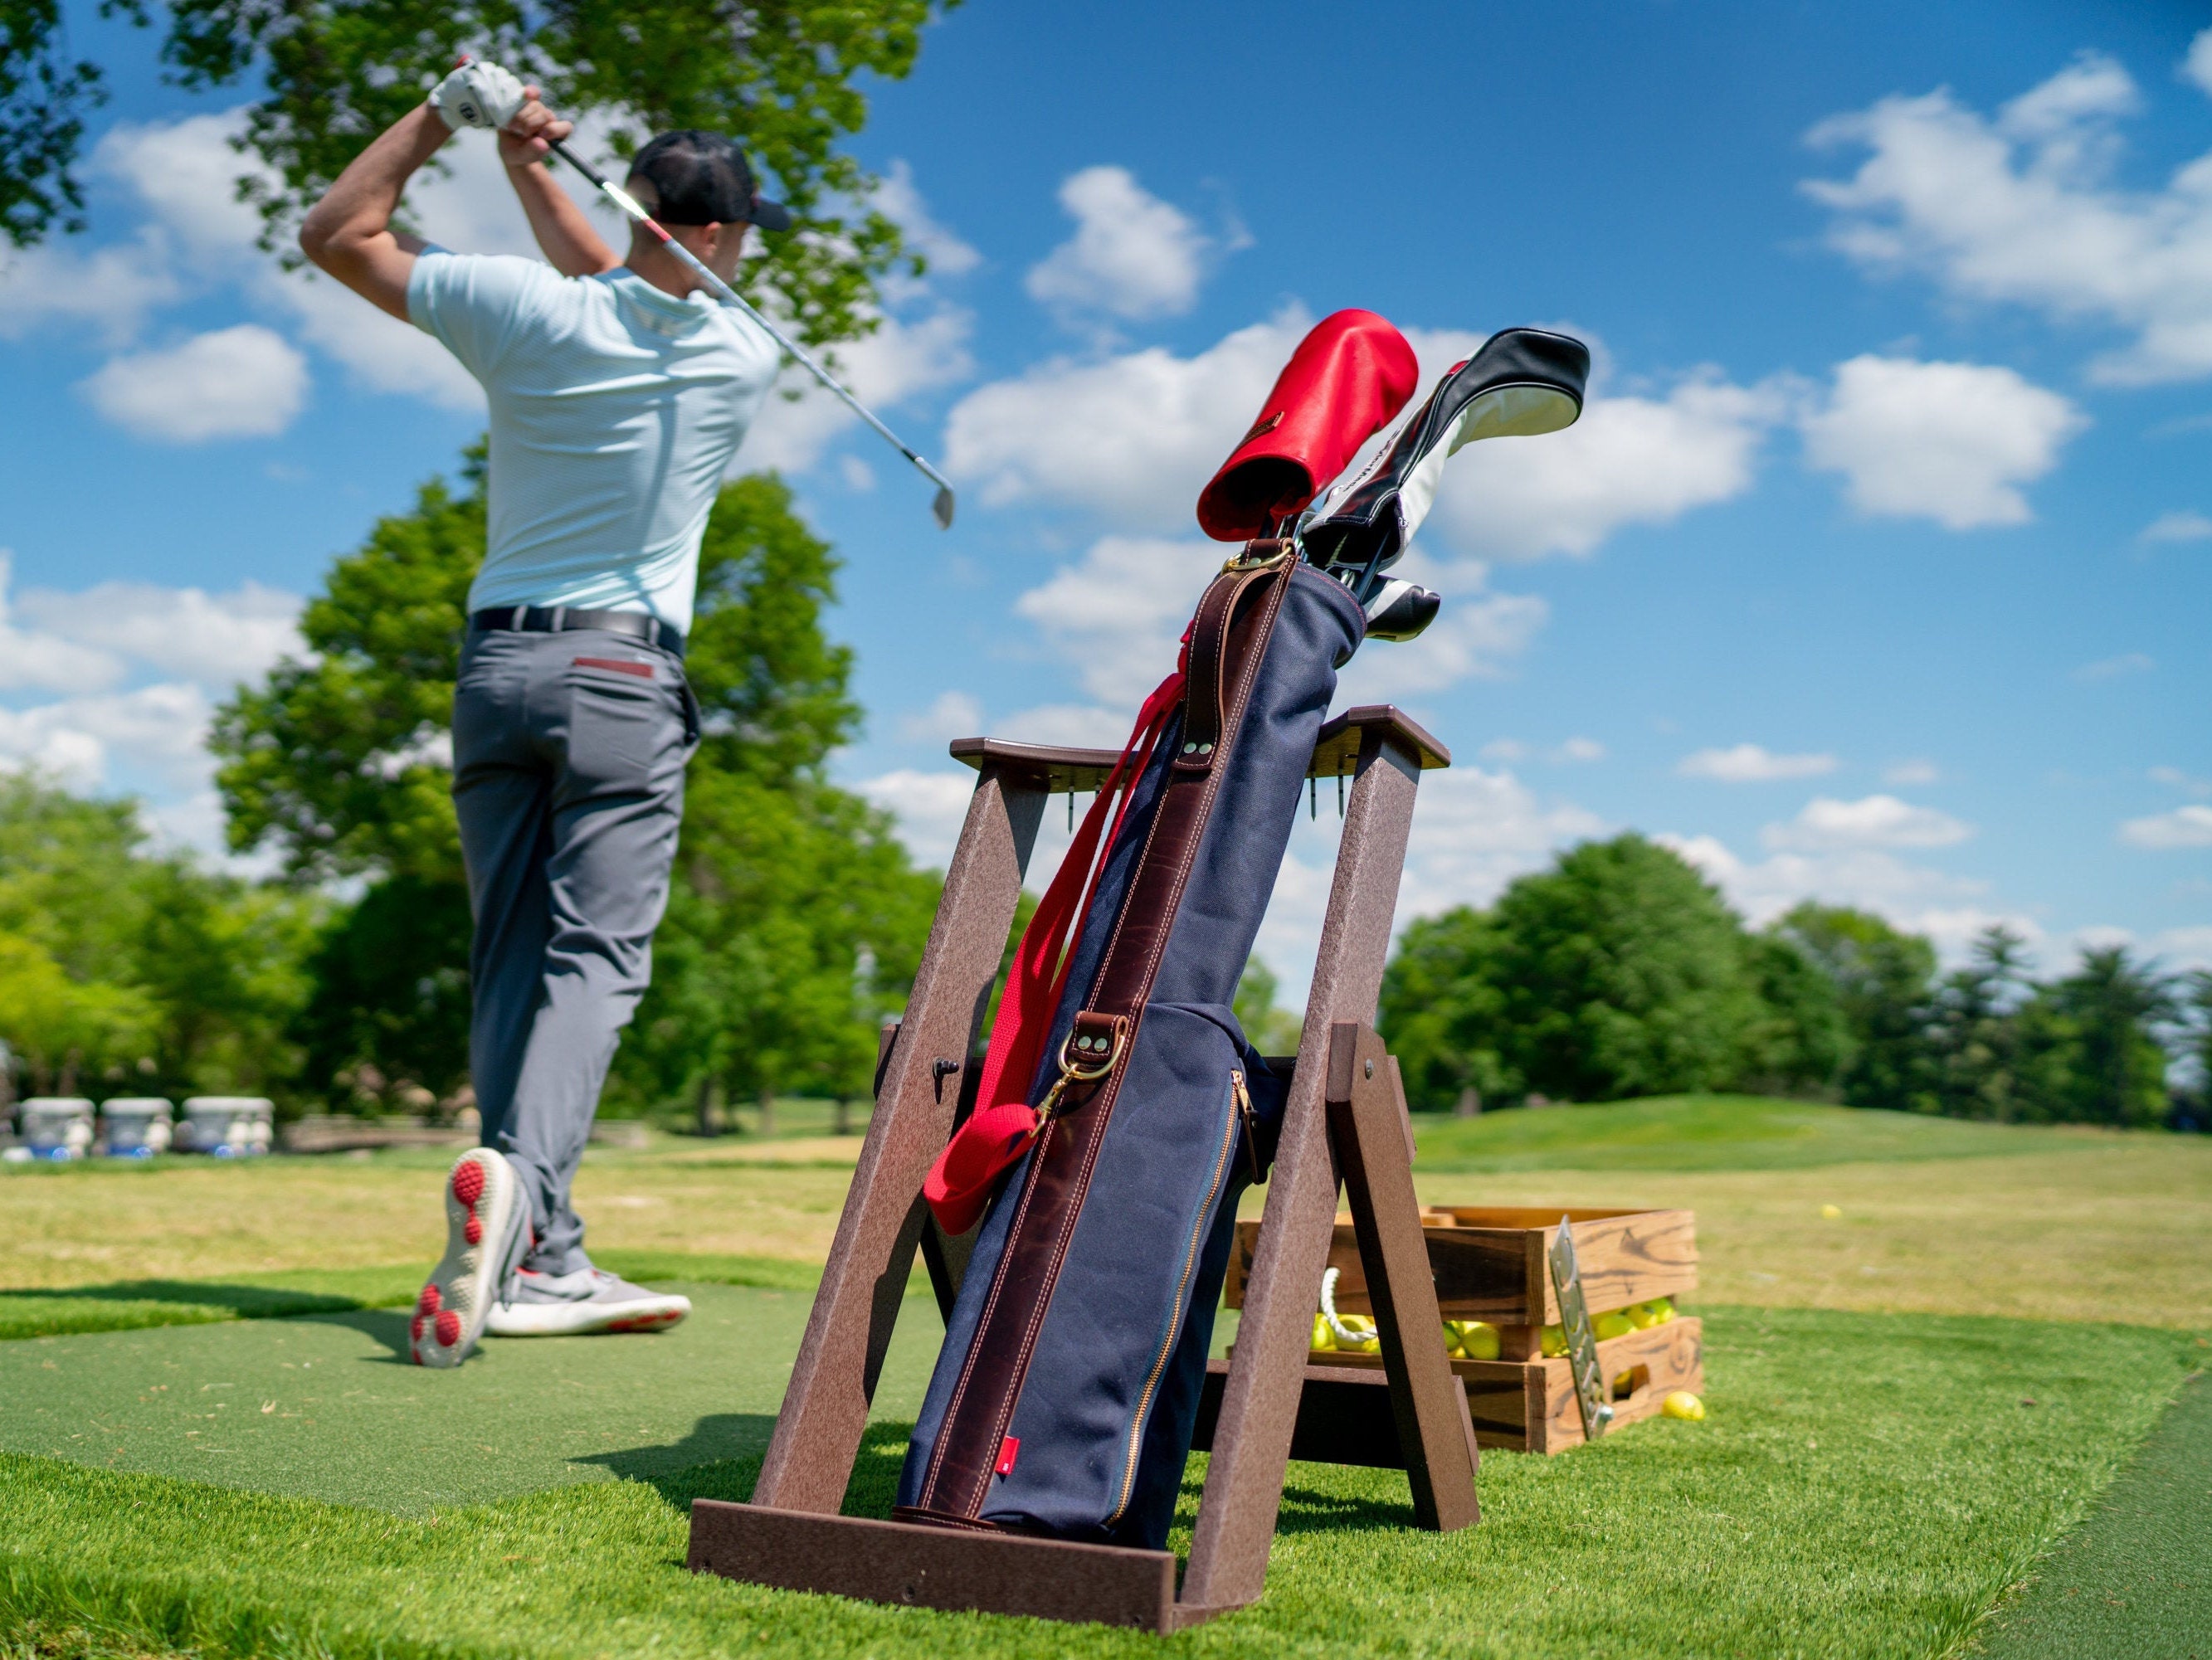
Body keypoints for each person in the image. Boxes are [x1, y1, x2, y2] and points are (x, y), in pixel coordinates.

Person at [300, 61, 790, 1366]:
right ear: (718, 236)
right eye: (743, 231)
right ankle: (524, 1197)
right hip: (625, 682)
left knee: (511, 955)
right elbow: (639, 276)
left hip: (496, 673)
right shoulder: (741, 349)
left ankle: (544, 1252)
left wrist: (450, 122)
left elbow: (337, 233)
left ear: (630, 209)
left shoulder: (518, 308)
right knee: (597, 959)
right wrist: (530, 171)